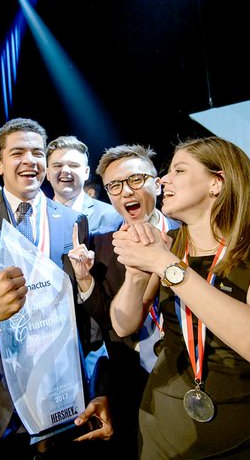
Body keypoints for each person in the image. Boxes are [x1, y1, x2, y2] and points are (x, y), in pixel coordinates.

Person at [110, 136, 250, 458]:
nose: (163, 179)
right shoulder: (169, 243)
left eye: (179, 171)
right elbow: (123, 324)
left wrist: (166, 266)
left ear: (216, 183)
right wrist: (136, 274)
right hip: (164, 424)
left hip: (248, 426)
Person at [0, 118, 112, 457]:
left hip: (68, 401)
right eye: (17, 152)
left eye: (37, 152)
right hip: (1, 406)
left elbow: (89, 322)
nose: (29, 161)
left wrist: (98, 389)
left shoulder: (73, 222)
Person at [71, 144, 179, 458]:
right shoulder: (101, 246)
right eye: (115, 185)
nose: (125, 191)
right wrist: (85, 281)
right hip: (135, 386)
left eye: (135, 180)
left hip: (192, 375)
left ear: (156, 183)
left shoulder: (189, 233)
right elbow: (109, 322)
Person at [46, 135, 122, 234]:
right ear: (47, 173)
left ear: (86, 172)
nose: (65, 170)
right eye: (57, 165)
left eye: (73, 165)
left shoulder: (112, 216)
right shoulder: (36, 217)